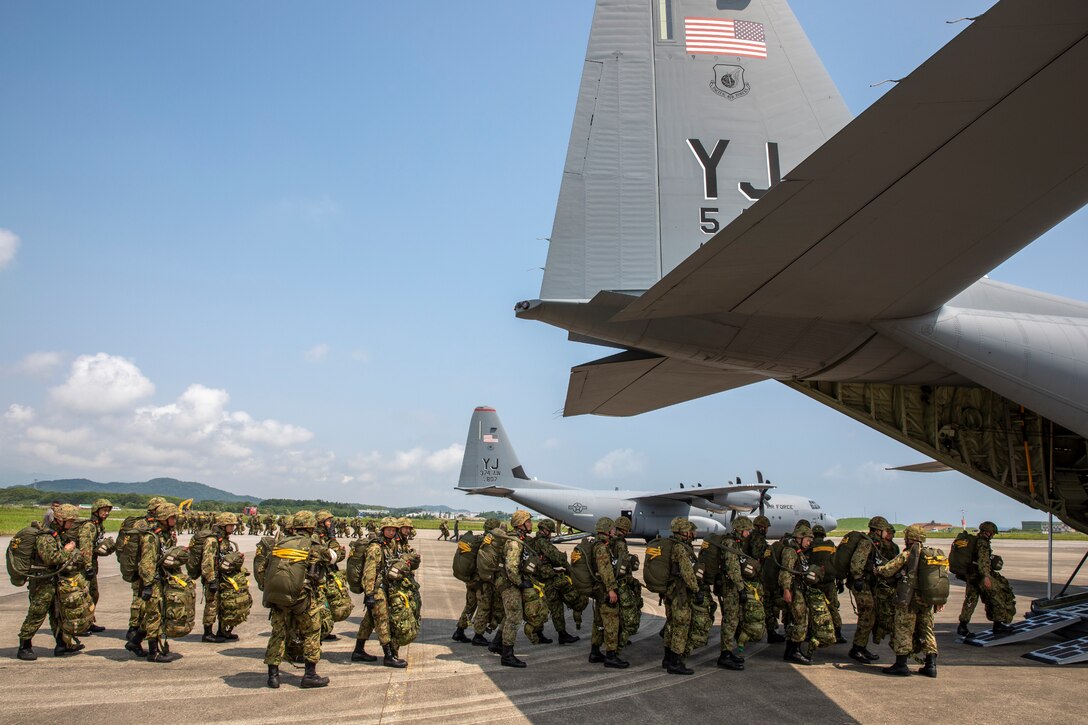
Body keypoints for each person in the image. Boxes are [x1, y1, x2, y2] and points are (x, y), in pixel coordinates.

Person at [264, 510, 330, 688]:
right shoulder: (312, 544)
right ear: (310, 526)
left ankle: (273, 676)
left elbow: (265, 567)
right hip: (301, 598)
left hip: (278, 597)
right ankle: (310, 674)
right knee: (312, 631)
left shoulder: (281, 542)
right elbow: (330, 557)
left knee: (278, 633)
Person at [17, 504, 87, 660]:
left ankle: (62, 645)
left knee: (59, 614)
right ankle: (24, 645)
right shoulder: (45, 537)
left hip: (55, 580)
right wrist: (68, 550)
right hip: (43, 582)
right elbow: (51, 559)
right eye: (70, 521)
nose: (72, 524)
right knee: (37, 613)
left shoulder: (58, 534)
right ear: (60, 520)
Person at [876, 525, 940, 677]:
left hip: (908, 600)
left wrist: (877, 570)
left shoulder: (908, 554)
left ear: (910, 539)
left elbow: (889, 570)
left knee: (904, 630)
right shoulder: (930, 555)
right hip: (926, 601)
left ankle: (901, 665)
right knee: (927, 631)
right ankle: (931, 665)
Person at [351, 517, 407, 667]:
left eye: (394, 530)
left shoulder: (390, 545)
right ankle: (388, 655)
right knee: (382, 620)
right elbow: (369, 572)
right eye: (389, 529)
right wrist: (369, 594)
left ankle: (358, 650)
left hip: (385, 587)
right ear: (383, 530)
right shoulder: (376, 548)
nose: (391, 532)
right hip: (377, 589)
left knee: (369, 621)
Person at [131, 502, 182, 663]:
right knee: (154, 615)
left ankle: (134, 641)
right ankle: (153, 652)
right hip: (152, 582)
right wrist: (147, 585)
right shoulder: (151, 537)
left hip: (161, 580)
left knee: (155, 614)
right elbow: (147, 563)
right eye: (173, 517)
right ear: (165, 518)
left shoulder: (165, 535)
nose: (175, 519)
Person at [493, 510, 544, 667]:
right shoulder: (515, 543)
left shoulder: (519, 540)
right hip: (509, 584)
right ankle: (507, 655)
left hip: (508, 582)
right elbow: (511, 567)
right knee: (514, 618)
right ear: (521, 524)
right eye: (528, 521)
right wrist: (520, 583)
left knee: (509, 616)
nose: (531, 524)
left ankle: (496, 644)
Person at [779, 523, 834, 665]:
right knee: (800, 620)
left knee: (798, 619)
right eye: (808, 539)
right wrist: (786, 589)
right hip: (793, 590)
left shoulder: (799, 552)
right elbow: (786, 571)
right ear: (800, 538)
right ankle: (794, 651)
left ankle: (791, 651)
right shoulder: (791, 552)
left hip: (798, 589)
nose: (810, 542)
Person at [958, 521, 1016, 636]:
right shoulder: (982, 544)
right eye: (992, 533)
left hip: (971, 576)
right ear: (987, 533)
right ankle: (998, 626)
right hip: (980, 577)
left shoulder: (973, 541)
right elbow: (983, 562)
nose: (993, 535)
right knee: (997, 597)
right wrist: (986, 577)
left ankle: (962, 626)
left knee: (970, 600)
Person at [846, 516, 890, 663]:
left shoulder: (875, 543)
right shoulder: (866, 543)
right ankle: (856, 649)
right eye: (884, 530)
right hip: (861, 584)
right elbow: (856, 562)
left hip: (867, 583)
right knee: (867, 615)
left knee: (870, 617)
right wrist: (858, 578)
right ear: (878, 530)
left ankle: (861, 647)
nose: (886, 533)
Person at [530, 519, 581, 644]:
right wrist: (570, 570)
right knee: (556, 606)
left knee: (541, 608)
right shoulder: (543, 543)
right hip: (546, 581)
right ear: (545, 530)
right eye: (550, 532)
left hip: (536, 580)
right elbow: (557, 558)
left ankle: (539, 634)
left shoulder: (532, 542)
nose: (551, 534)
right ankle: (561, 634)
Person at [587, 517, 627, 668]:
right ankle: (611, 655)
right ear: (607, 530)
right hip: (604, 589)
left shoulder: (595, 543)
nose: (614, 531)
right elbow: (606, 570)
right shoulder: (602, 547)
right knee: (611, 622)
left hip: (597, 589)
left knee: (598, 622)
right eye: (612, 529)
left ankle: (595, 652)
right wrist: (611, 589)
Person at [662, 517, 699, 675]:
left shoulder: (670, 544)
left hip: (669, 592)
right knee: (681, 626)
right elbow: (687, 572)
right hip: (680, 594)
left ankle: (667, 659)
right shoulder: (680, 548)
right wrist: (696, 590)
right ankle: (676, 663)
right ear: (684, 531)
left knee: (671, 624)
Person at [75, 497, 116, 634]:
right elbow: (85, 547)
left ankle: (89, 621)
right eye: (104, 511)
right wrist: (87, 566)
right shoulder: (89, 526)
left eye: (108, 511)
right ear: (96, 511)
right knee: (84, 595)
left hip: (92, 562)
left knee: (93, 594)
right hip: (84, 565)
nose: (106, 513)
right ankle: (80, 625)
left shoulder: (98, 526)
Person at [200, 512, 242, 643]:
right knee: (212, 605)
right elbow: (207, 562)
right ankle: (207, 633)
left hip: (224, 578)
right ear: (223, 525)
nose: (233, 528)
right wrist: (211, 580)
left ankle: (222, 631)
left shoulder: (225, 540)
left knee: (224, 604)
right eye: (231, 525)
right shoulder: (212, 540)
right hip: (214, 578)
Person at [809, 524, 847, 643]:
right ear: (823, 535)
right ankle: (838, 633)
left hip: (815, 582)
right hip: (830, 582)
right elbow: (837, 563)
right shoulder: (831, 545)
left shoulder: (810, 546)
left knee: (814, 608)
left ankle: (811, 633)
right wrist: (840, 581)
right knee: (833, 607)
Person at [470, 518, 504, 646]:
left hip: (474, 579)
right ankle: (478, 636)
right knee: (484, 606)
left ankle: (460, 630)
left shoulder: (479, 539)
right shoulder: (488, 541)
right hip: (482, 581)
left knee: (471, 605)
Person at [612, 516, 642, 653]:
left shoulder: (610, 541)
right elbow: (623, 563)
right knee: (628, 614)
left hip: (612, 581)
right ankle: (616, 648)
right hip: (620, 583)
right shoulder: (620, 543)